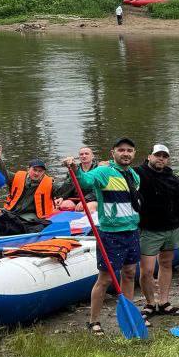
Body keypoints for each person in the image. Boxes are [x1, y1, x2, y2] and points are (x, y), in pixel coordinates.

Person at [64, 138, 143, 335]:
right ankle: (93, 321)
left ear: (134, 153)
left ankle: (129, 313)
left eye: (129, 150)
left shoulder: (134, 175)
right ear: (113, 153)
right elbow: (84, 181)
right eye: (121, 150)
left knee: (130, 273)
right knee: (105, 279)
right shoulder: (103, 172)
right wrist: (73, 168)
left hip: (132, 231)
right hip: (110, 234)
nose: (126, 153)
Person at [136, 143, 179, 317]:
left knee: (166, 264)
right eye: (158, 155)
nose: (161, 159)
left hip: (170, 228)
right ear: (149, 156)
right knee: (147, 271)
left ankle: (164, 302)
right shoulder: (138, 173)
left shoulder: (172, 178)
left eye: (164, 156)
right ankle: (150, 303)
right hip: (148, 229)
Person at [0, 149, 57, 235]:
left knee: (19, 227)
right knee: (2, 223)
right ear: (28, 169)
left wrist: (72, 169)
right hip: (12, 213)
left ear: (44, 172)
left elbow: (63, 190)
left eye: (40, 171)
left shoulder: (50, 184)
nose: (37, 173)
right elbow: (4, 174)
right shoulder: (16, 177)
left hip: (32, 217)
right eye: (35, 170)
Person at [53, 146, 98, 210]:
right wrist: (62, 197)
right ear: (79, 157)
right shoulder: (74, 169)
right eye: (81, 154)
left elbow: (99, 189)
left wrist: (85, 200)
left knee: (87, 207)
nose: (84, 156)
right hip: (76, 198)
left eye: (86, 154)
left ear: (92, 156)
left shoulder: (99, 169)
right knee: (63, 205)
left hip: (93, 199)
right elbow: (68, 185)